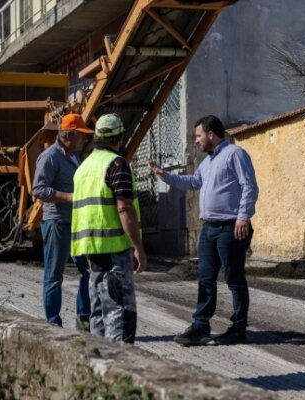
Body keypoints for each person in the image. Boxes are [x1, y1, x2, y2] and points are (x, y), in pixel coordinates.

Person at [149, 115, 258, 346]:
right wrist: (165, 176)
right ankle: (200, 326)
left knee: (234, 278)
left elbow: (249, 186)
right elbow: (193, 182)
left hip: (232, 227)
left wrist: (243, 217)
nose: (196, 141)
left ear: (211, 134)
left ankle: (239, 327)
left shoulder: (235, 154)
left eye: (198, 136)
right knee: (205, 278)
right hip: (209, 228)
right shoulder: (207, 162)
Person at [71, 113, 146, 344]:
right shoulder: (116, 164)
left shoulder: (83, 168)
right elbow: (124, 208)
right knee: (119, 312)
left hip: (90, 249)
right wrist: (138, 247)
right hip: (115, 249)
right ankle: (120, 367)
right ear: (120, 138)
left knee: (99, 313)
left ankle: (98, 367)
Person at [32, 113, 93, 330]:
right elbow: (38, 189)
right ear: (69, 136)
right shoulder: (50, 157)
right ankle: (53, 324)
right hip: (57, 222)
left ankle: (83, 318)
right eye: (82, 136)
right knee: (54, 275)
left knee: (87, 271)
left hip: (76, 222)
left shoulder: (75, 156)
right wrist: (68, 197)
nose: (85, 140)